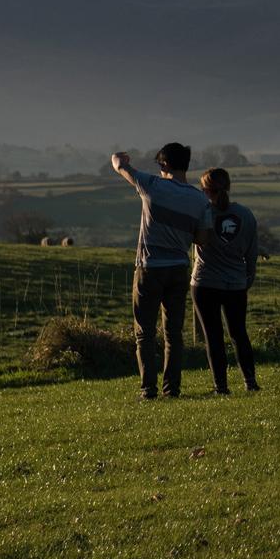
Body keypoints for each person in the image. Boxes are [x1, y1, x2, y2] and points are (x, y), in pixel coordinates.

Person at [111, 143, 206, 399]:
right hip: (178, 269)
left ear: (164, 164)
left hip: (149, 268)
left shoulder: (153, 186)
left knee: (145, 332)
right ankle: (172, 388)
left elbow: (119, 165)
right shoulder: (200, 199)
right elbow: (201, 238)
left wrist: (121, 157)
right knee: (173, 333)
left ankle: (148, 389)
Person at [192, 166, 261, 394]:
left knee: (213, 337)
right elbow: (251, 252)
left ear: (204, 189)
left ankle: (221, 387)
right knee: (239, 333)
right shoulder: (246, 215)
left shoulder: (201, 213)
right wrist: (248, 276)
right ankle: (250, 382)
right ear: (228, 187)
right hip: (235, 284)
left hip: (205, 283)